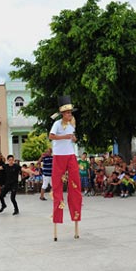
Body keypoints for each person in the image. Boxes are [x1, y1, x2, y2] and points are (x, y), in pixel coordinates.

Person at [49, 95, 82, 240]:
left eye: (71, 112)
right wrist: (65, 137)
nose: (70, 114)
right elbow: (51, 136)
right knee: (57, 187)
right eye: (68, 112)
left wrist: (73, 138)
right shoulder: (57, 124)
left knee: (75, 185)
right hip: (59, 156)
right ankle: (57, 218)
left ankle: (76, 215)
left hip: (71, 155)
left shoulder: (72, 124)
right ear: (63, 113)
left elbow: (73, 138)